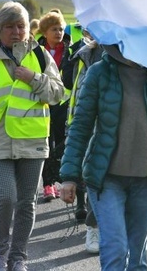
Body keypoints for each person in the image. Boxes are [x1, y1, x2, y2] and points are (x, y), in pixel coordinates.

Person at [59, 44, 147, 271]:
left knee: (138, 258)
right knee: (116, 249)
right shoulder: (99, 73)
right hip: (106, 179)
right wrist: (69, 175)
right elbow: (80, 126)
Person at [0, 1, 66, 271]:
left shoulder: (39, 56)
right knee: (5, 196)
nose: (16, 32)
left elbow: (58, 93)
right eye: (9, 26)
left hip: (32, 139)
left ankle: (18, 258)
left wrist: (34, 78)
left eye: (21, 26)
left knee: (27, 203)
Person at [60, 28, 104, 254]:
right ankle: (93, 226)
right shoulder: (84, 54)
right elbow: (73, 87)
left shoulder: (135, 52)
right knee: (95, 181)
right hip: (90, 128)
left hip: (124, 132)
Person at [37, 10, 71, 202]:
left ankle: (60, 179)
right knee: (45, 144)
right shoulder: (36, 51)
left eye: (60, 29)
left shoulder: (70, 50)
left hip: (64, 104)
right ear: (44, 31)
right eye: (54, 29)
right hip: (43, 103)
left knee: (61, 143)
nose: (58, 33)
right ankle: (48, 184)